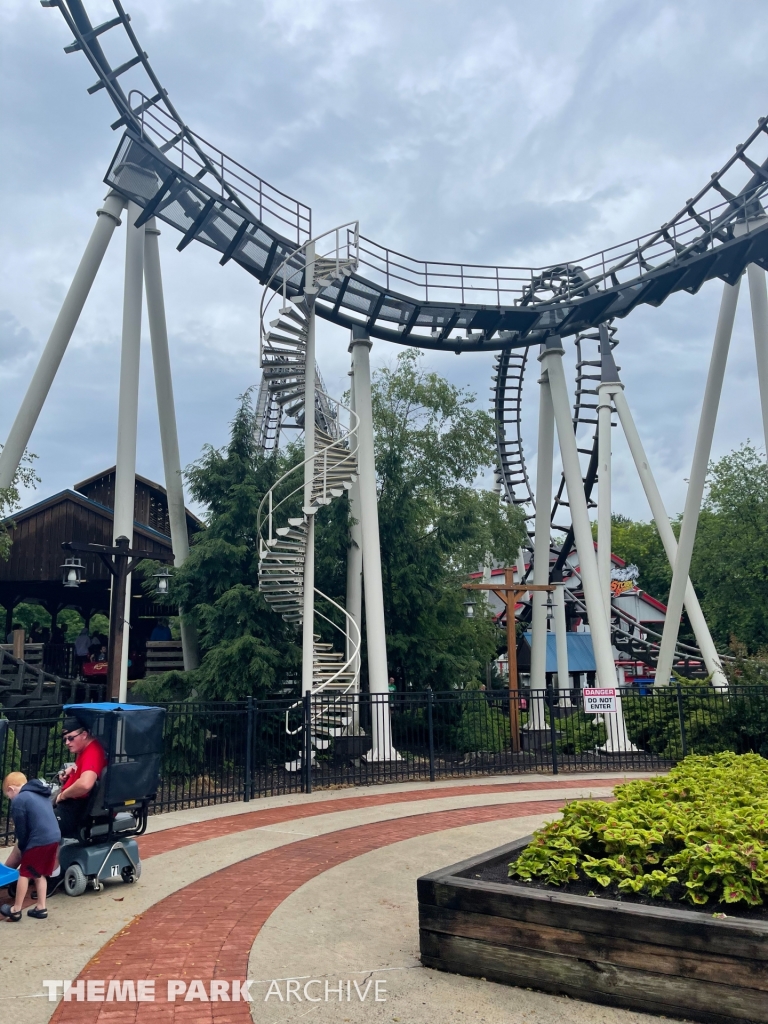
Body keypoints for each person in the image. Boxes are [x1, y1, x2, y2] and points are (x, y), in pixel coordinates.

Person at [1, 771, 61, 921]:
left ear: (11, 789)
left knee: (24, 874)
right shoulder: (40, 794)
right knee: (39, 873)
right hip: (54, 838)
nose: (10, 799)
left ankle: (16, 909)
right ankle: (41, 907)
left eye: (8, 796)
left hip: (38, 840)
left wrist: (23, 846)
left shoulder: (19, 800)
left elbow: (21, 829)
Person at [53, 716, 107, 838]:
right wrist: (72, 770)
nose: (67, 743)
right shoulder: (86, 749)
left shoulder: (92, 752)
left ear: (84, 734)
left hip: (76, 810)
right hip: (75, 806)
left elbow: (85, 784)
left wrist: (63, 795)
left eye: (71, 738)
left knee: (36, 826)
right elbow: (87, 768)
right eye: (65, 739)